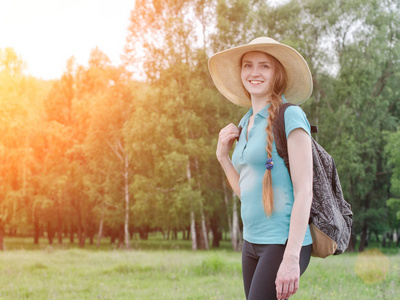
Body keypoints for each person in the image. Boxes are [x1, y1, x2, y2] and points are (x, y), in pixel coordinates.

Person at [208, 37, 314, 300]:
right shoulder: (245, 122)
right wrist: (223, 157)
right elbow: (248, 192)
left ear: (277, 73)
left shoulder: (291, 116)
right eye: (248, 65)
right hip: (251, 243)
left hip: (281, 243)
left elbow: (305, 191)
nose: (254, 72)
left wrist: (291, 256)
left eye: (264, 66)